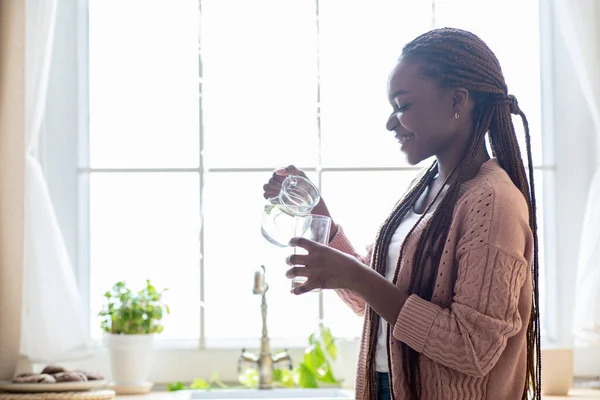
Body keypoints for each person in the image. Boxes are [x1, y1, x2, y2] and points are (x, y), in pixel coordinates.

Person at [262, 28, 541, 399]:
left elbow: (472, 349)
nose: (391, 123)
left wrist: (359, 277)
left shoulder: (493, 202)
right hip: (384, 386)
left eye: (403, 105)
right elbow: (372, 302)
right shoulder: (423, 190)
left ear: (457, 100)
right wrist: (318, 211)